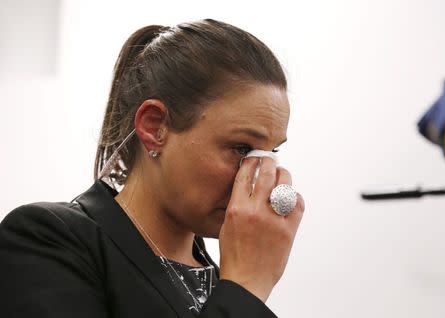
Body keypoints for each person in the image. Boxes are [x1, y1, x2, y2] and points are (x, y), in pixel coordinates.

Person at [0, 19, 305, 317]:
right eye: (241, 149)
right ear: (155, 126)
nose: (260, 182)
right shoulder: (49, 240)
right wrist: (246, 288)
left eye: (270, 153)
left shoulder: (220, 279)